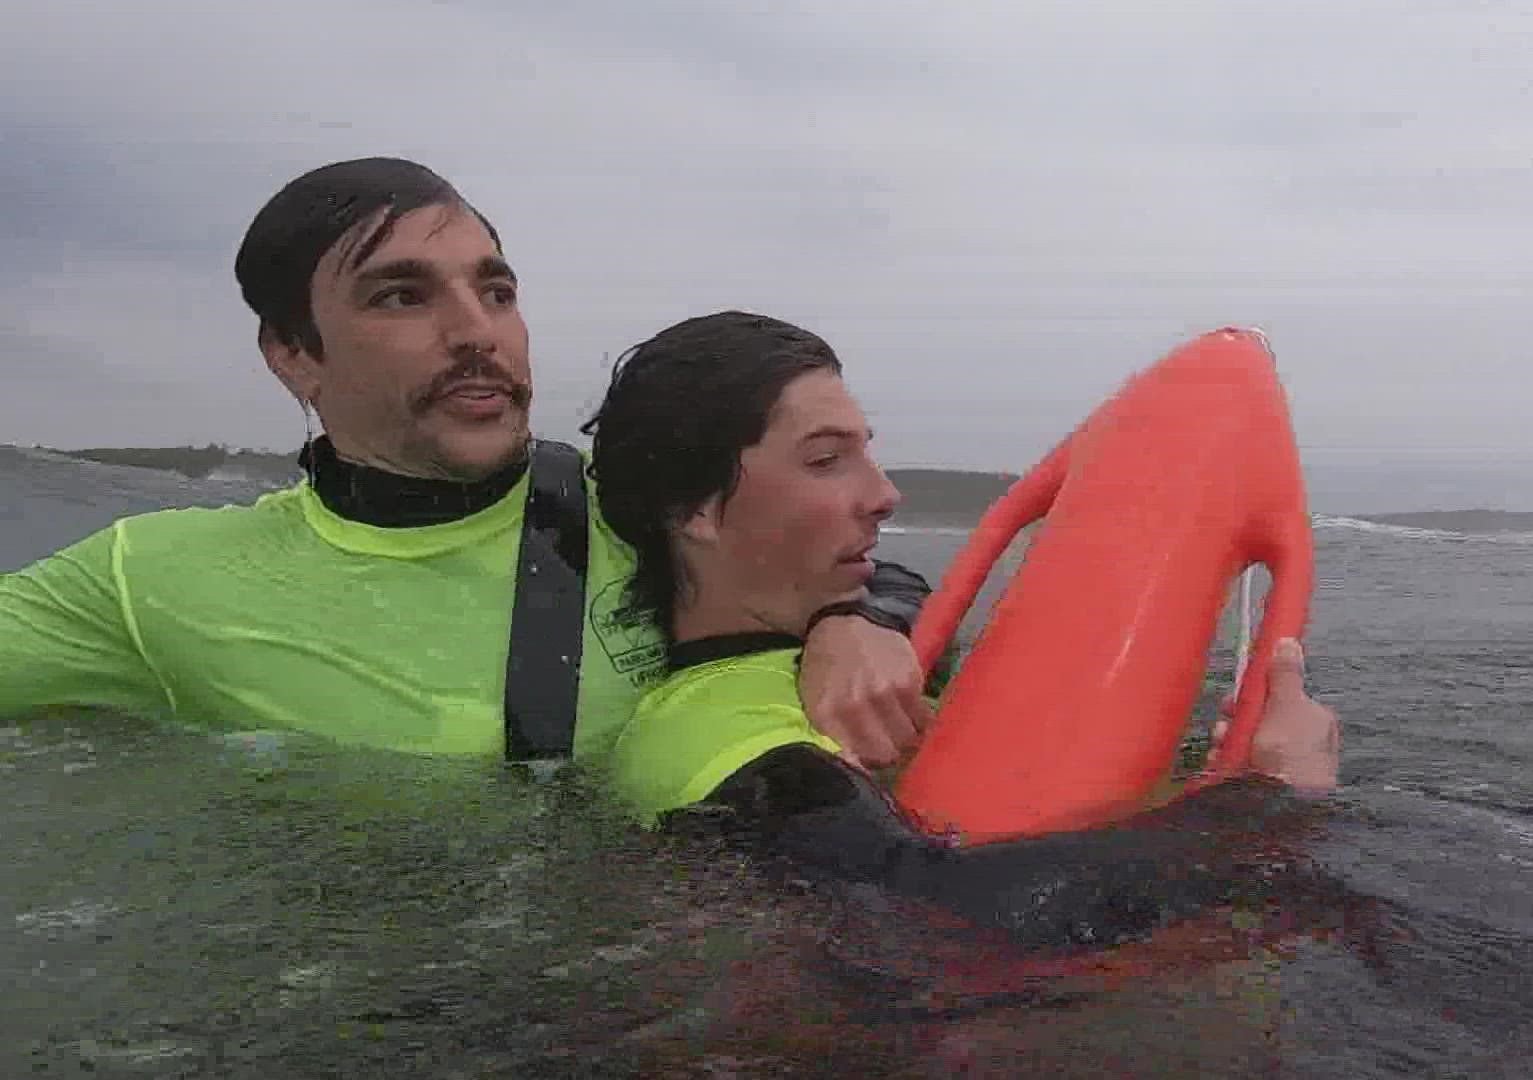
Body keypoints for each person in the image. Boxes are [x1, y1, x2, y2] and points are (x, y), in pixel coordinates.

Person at [0, 158, 933, 769]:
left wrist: (850, 622)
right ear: (293, 353)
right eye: (402, 296)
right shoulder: (151, 579)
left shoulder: (631, 507)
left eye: (496, 290)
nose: (476, 333)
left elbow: (871, 569)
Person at [584, 311, 1344, 948]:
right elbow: (945, 925)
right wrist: (1268, 804)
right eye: (825, 461)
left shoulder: (857, 654)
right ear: (694, 512)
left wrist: (847, 616)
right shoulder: (719, 744)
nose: (884, 494)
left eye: (867, 452)